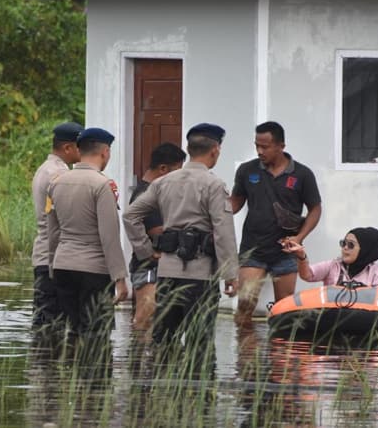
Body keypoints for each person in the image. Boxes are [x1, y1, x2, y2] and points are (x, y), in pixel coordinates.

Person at [123, 123, 238, 359]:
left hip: (167, 272)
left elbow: (130, 215)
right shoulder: (214, 185)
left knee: (163, 340)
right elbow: (223, 231)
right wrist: (230, 274)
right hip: (200, 275)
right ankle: (199, 393)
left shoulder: (162, 182)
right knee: (200, 343)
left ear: (189, 148)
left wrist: (145, 251)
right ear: (215, 150)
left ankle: (163, 390)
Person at [230, 121, 322, 326]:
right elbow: (235, 202)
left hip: (286, 252)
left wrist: (299, 238)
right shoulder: (247, 170)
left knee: (284, 309)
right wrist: (214, 211)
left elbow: (315, 209)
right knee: (245, 305)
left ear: (281, 146)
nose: (259, 151)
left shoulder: (302, 174)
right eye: (257, 145)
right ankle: (243, 355)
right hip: (253, 249)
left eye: (265, 146)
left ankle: (278, 355)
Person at [46, 127, 129, 339]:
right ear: (105, 152)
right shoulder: (103, 185)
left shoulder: (56, 183)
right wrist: (120, 278)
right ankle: (94, 372)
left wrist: (52, 265)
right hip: (95, 270)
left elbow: (53, 231)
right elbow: (109, 236)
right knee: (96, 335)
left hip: (63, 265)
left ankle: (70, 371)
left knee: (72, 332)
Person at [128, 142, 187, 331]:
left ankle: (148, 357)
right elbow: (157, 230)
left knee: (153, 320)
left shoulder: (151, 191)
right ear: (163, 169)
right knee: (145, 318)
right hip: (148, 267)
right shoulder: (148, 194)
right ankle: (139, 357)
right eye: (177, 171)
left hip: (152, 266)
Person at [31, 122, 83, 327]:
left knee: (45, 320)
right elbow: (65, 218)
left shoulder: (46, 168)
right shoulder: (58, 174)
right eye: (81, 146)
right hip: (53, 257)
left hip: (45, 254)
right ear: (68, 148)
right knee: (51, 324)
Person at [282, 227, 378, 289]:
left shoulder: (377, 272)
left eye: (351, 245)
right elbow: (307, 275)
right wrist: (301, 256)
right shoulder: (333, 265)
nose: (345, 248)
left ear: (366, 250)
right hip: (331, 319)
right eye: (343, 243)